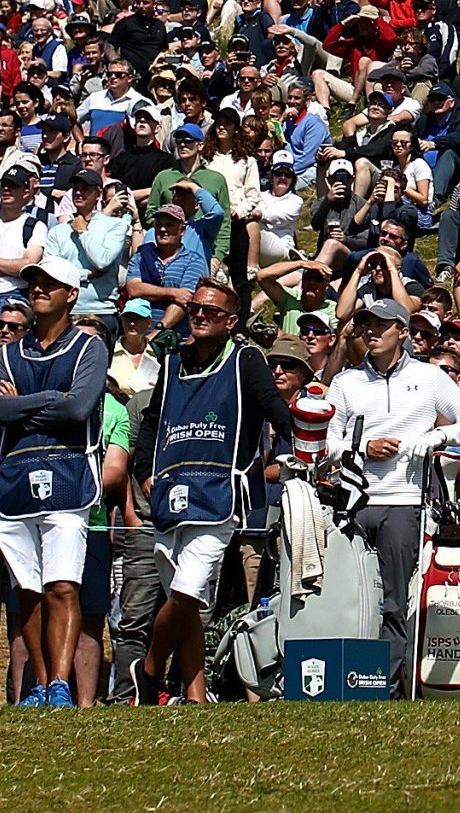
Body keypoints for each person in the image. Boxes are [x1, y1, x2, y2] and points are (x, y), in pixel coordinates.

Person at [130, 277, 295, 704]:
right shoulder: (170, 363)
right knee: (186, 607)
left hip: (220, 495)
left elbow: (272, 407)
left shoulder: (245, 361)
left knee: (187, 592)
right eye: (195, 309)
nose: (199, 315)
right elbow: (151, 421)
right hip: (169, 495)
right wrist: (144, 470)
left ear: (232, 321)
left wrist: (302, 437)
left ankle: (148, 670)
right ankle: (195, 694)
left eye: (211, 311)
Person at [323, 294, 460, 689]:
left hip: (403, 503)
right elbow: (327, 443)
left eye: (381, 325)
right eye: (367, 325)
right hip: (353, 504)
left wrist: (435, 437)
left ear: (402, 332)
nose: (372, 332)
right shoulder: (346, 382)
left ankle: (383, 686)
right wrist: (362, 447)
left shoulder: (430, 378)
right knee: (348, 595)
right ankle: (347, 682)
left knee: (393, 599)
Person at [0, 257, 110, 708]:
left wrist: (20, 403)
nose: (38, 289)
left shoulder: (89, 348)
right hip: (14, 483)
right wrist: (46, 401)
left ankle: (61, 684)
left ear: (71, 294)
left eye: (49, 284)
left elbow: (79, 409)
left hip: (68, 475)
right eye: (34, 283)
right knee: (27, 593)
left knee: (62, 585)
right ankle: (39, 685)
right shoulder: (6, 353)